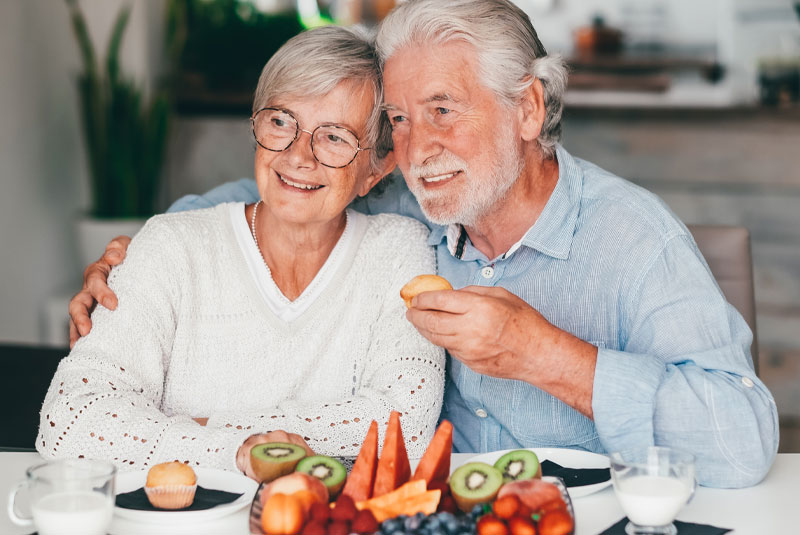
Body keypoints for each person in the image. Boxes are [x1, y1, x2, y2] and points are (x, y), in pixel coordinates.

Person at [70, 0, 778, 488]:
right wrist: (131, 258)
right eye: (401, 119)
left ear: (528, 108)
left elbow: (744, 439)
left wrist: (544, 353)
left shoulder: (635, 238)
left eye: (444, 110)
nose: (419, 147)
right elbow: (284, 189)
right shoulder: (410, 196)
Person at [39, 25, 446, 478]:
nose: (298, 156)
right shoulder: (171, 244)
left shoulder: (399, 249)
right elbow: (70, 421)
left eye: (334, 137)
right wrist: (234, 450)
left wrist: (194, 426)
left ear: (375, 169)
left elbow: (405, 429)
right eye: (280, 122)